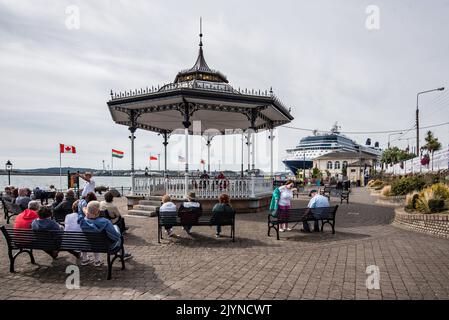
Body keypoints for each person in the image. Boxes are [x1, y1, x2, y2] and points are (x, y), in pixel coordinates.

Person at [77, 200, 132, 266]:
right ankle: (123, 254)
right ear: (98, 212)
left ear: (87, 211)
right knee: (117, 233)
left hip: (90, 244)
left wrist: (85, 210)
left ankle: (123, 254)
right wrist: (117, 231)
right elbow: (116, 237)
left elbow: (80, 207)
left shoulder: (82, 221)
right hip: (107, 246)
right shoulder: (105, 222)